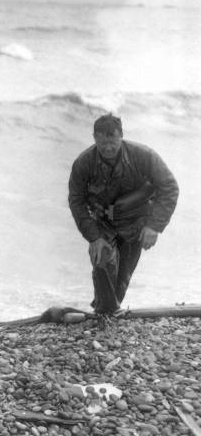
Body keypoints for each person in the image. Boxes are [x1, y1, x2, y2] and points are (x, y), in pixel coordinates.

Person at [68, 114, 178, 316]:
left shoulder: (144, 156)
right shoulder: (83, 163)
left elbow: (169, 187)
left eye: (112, 142)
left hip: (135, 221)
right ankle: (104, 314)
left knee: (121, 280)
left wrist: (154, 226)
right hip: (103, 223)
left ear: (121, 136)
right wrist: (94, 236)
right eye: (102, 143)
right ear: (94, 138)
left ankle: (106, 312)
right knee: (103, 263)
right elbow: (76, 201)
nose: (108, 148)